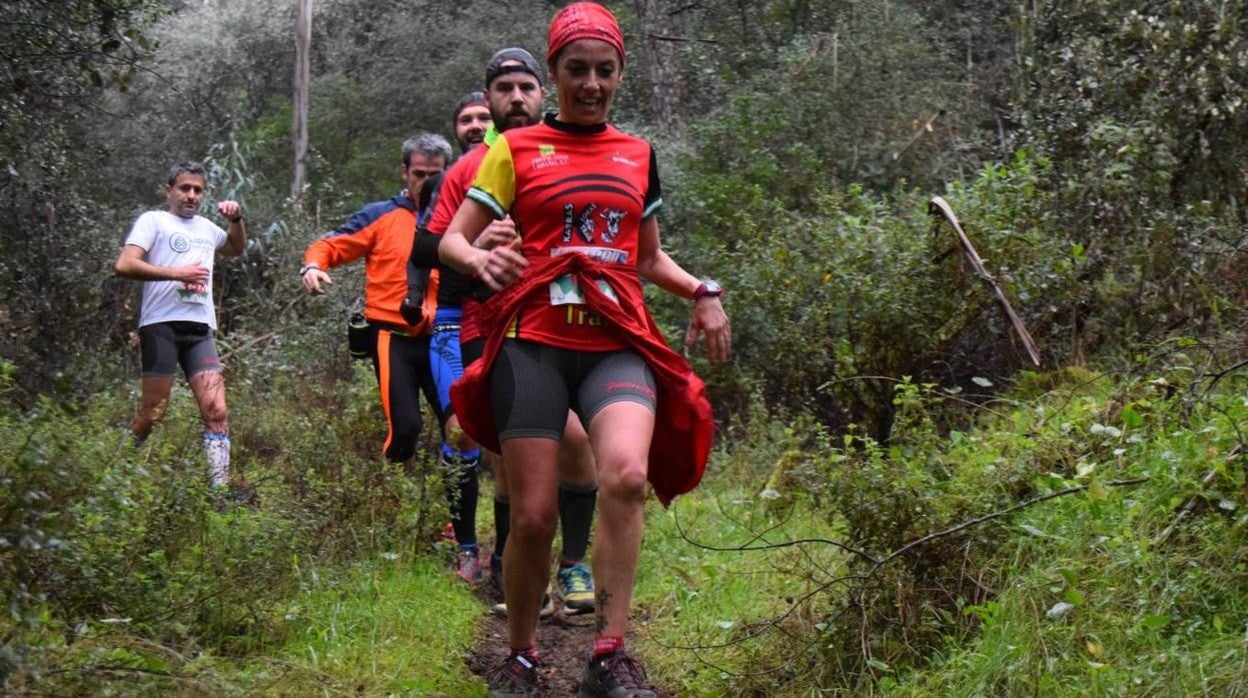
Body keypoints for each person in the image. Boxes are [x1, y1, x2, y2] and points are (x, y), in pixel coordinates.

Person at [437, 4, 731, 696]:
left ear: (620, 73)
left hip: (615, 340)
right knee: (534, 514)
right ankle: (520, 657)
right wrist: (480, 260)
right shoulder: (515, 149)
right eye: (577, 70)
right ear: (556, 73)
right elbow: (452, 238)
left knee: (625, 477)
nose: (591, 84)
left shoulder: (638, 154)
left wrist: (704, 290)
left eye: (605, 70)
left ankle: (608, 655)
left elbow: (648, 258)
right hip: (532, 343)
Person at [415, 47, 600, 611]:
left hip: (568, 316)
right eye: (504, 89)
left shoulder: (572, 151)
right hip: (489, 321)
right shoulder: (467, 169)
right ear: (488, 98)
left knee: (576, 442)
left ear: (544, 92)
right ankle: (518, 572)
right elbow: (428, 244)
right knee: (508, 455)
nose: (516, 99)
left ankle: (571, 566)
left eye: (526, 88)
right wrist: (475, 248)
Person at [302, 134, 480, 577]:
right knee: (405, 432)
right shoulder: (381, 215)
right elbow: (331, 244)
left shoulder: (464, 217)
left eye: (435, 174)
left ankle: (457, 531)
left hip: (445, 336)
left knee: (460, 431)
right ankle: (393, 515)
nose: (426, 182)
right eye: (419, 173)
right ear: (404, 172)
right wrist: (313, 266)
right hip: (394, 337)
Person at [114, 161, 247, 492]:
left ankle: (219, 494)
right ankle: (115, 476)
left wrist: (236, 220)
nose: (191, 195)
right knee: (153, 412)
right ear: (169, 190)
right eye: (184, 188)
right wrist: (177, 273)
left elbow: (235, 248)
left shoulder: (206, 228)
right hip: (161, 326)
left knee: (216, 410)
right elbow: (125, 264)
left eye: (198, 190)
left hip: (200, 329)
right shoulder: (153, 221)